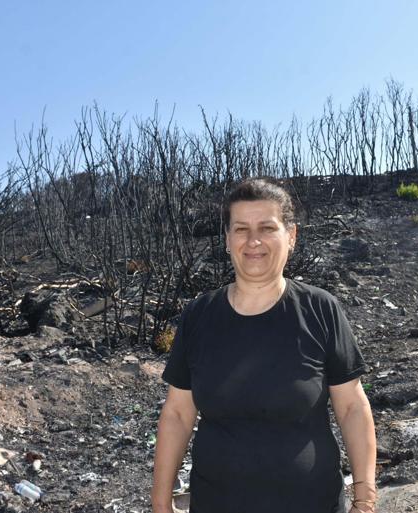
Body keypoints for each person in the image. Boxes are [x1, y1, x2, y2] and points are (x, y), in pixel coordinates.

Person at [151, 177, 377, 513]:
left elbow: (352, 408)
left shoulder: (320, 310)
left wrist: (365, 498)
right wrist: (160, 503)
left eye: (267, 228)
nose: (253, 240)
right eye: (241, 229)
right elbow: (178, 415)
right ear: (227, 239)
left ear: (291, 236)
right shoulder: (199, 316)